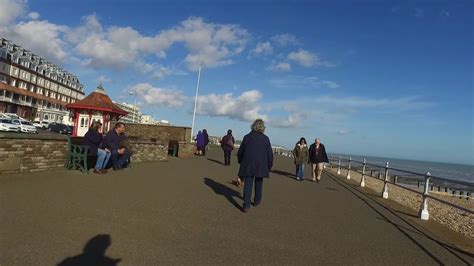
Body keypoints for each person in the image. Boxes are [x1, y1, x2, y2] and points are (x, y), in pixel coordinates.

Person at [238, 119, 273, 212]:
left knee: (248, 184)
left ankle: (246, 204)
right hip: (261, 165)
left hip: (248, 164)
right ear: (263, 127)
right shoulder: (266, 139)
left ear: (253, 126)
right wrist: (269, 165)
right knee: (259, 183)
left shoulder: (247, 137)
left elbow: (240, 151)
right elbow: (270, 154)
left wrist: (240, 161)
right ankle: (257, 201)